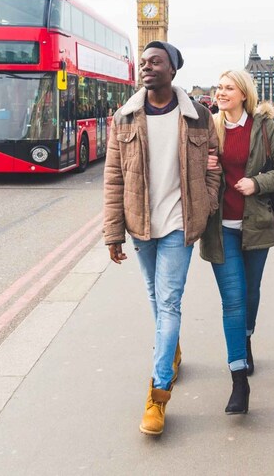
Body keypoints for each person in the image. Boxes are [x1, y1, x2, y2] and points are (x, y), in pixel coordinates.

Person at [103, 41, 221, 435]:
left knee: (169, 302)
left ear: (173, 70)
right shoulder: (124, 117)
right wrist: (113, 232)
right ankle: (170, 351)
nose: (146, 67)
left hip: (178, 225)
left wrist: (206, 204)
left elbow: (213, 170)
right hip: (140, 226)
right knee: (156, 296)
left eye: (156, 62)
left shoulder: (200, 116)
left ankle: (158, 393)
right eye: (144, 62)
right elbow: (114, 177)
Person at [199, 70, 274, 415]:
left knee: (251, 294)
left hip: (256, 225)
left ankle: (246, 337)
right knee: (233, 301)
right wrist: (201, 164)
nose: (221, 92)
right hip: (220, 227)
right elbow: (189, 169)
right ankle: (239, 380)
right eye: (218, 87)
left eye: (228, 88)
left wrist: (257, 183)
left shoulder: (265, 128)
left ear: (244, 94)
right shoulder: (209, 127)